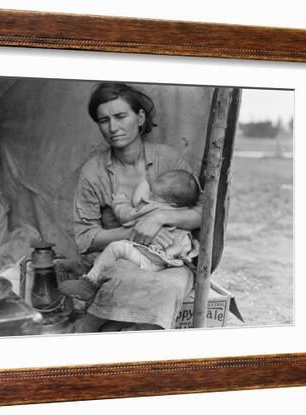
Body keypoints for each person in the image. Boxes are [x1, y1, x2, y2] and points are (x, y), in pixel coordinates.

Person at [65, 82, 203, 331]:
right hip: (119, 259)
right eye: (103, 120)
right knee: (121, 284)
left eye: (120, 116)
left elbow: (203, 214)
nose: (112, 127)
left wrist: (159, 217)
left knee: (166, 289)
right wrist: (136, 231)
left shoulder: (168, 159)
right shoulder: (94, 171)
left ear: (140, 118)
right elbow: (85, 238)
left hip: (170, 260)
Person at [59, 169, 200, 301]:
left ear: (173, 204)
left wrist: (120, 201)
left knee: (115, 248)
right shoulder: (182, 213)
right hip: (168, 261)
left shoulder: (153, 208)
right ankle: (85, 267)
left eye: (154, 196)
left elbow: (126, 215)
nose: (149, 197)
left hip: (150, 261)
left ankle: (89, 284)